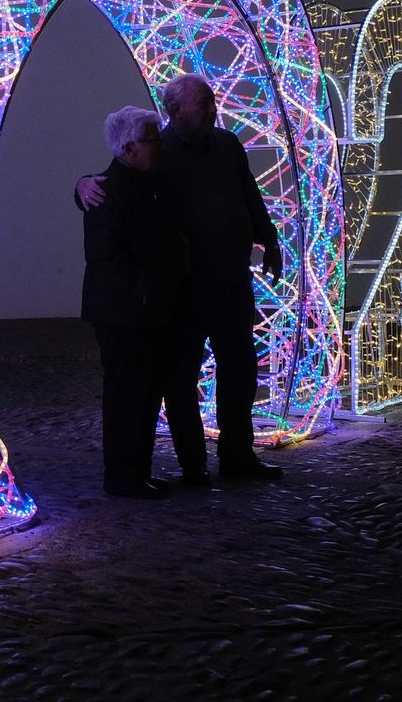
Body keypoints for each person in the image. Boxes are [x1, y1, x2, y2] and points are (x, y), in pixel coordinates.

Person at [77, 74, 284, 482]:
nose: (213, 109)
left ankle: (237, 456)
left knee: (240, 369)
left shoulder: (227, 145)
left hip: (230, 280)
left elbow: (249, 195)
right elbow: (116, 180)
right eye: (204, 102)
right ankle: (194, 464)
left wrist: (269, 239)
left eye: (212, 101)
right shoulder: (157, 151)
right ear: (176, 110)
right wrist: (80, 185)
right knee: (180, 378)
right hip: (185, 287)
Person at [81, 106, 188, 499]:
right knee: (126, 394)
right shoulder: (106, 191)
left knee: (146, 394)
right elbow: (106, 256)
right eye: (151, 140)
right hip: (124, 313)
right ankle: (123, 476)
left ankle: (137, 471)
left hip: (147, 309)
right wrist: (145, 292)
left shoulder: (148, 183)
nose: (158, 146)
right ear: (128, 149)